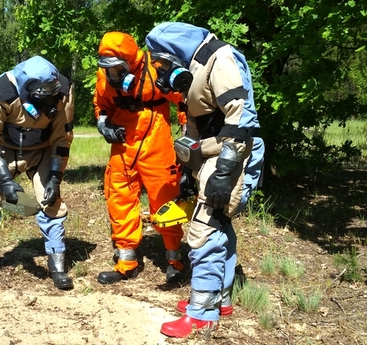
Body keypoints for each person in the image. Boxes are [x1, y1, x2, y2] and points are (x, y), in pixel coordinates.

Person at [145, 22, 265, 338]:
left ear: (174, 52)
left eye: (161, 62)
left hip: (232, 150)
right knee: (219, 224)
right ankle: (220, 298)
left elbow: (241, 118)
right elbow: (196, 129)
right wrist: (190, 172)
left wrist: (225, 170)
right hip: (214, 152)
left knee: (204, 227)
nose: (160, 70)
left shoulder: (220, 59)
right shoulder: (196, 68)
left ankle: (202, 313)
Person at [0, 56, 75, 291]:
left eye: (52, 94)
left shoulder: (64, 90)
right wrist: (6, 182)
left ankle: (57, 266)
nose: (50, 101)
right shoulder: (0, 91)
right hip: (2, 151)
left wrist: (54, 178)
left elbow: (62, 139)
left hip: (42, 151)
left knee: (52, 202)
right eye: (43, 96)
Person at [93, 31, 189, 285]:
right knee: (119, 199)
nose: (113, 74)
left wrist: (189, 134)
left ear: (131, 61)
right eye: (108, 69)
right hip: (123, 145)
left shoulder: (156, 68)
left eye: (118, 69)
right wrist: (104, 124)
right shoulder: (104, 75)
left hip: (156, 143)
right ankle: (126, 262)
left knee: (165, 200)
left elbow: (183, 100)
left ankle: (174, 260)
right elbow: (101, 105)